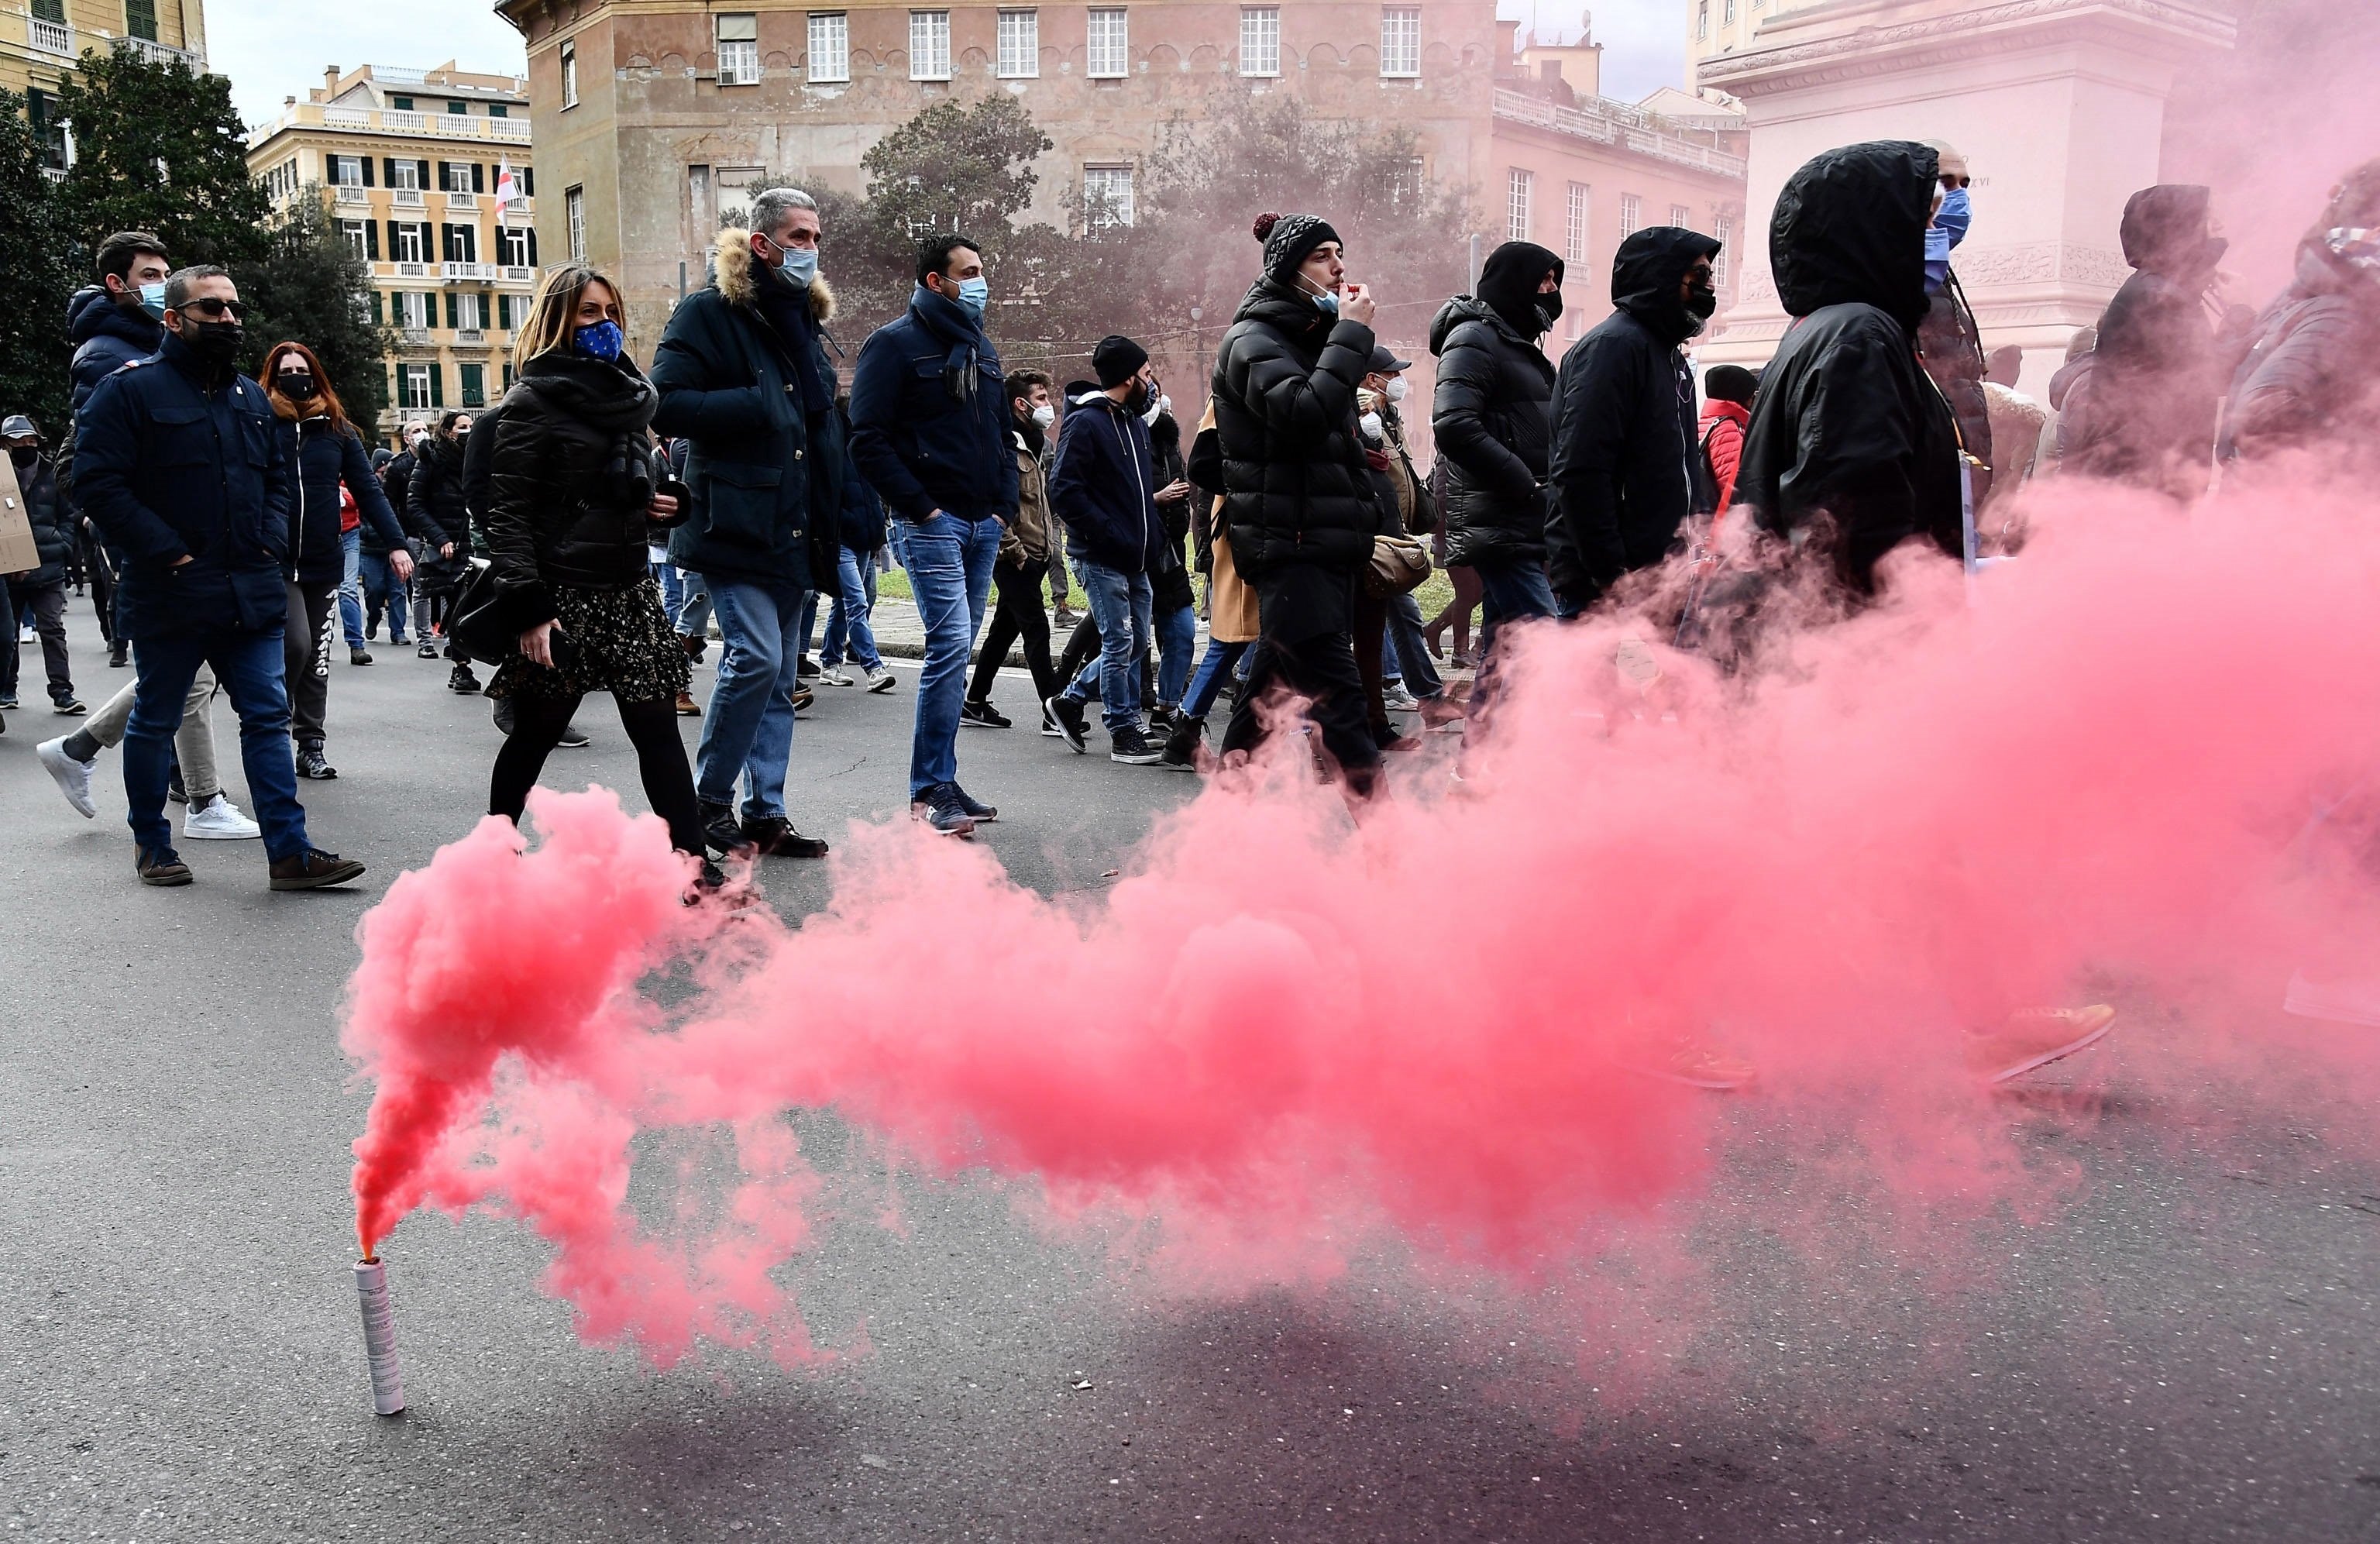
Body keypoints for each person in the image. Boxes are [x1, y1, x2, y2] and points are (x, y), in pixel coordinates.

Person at [74, 263, 366, 890]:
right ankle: (152, 844)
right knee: (154, 720)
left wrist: (268, 539)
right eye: (213, 310)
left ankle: (290, 852)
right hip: (170, 592)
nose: (229, 321)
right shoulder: (129, 391)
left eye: (234, 308)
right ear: (174, 319)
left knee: (266, 718)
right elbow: (96, 483)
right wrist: (169, 551)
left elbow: (275, 481)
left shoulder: (250, 397)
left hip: (249, 587)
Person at [481, 264, 721, 891]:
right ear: (560, 319)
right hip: (562, 595)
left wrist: (669, 500)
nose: (605, 325)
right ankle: (495, 853)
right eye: (590, 313)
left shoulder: (629, 397)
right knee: (537, 732)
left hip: (630, 589)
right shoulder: (533, 401)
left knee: (657, 733)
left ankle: (692, 866)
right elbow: (507, 515)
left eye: (611, 312)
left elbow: (633, 482)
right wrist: (530, 608)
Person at [652, 191, 848, 861]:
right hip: (733, 518)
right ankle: (710, 802)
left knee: (780, 672)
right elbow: (667, 402)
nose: (810, 248)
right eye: (797, 235)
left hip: (796, 521)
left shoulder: (804, 320)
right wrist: (755, 402)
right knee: (757, 657)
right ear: (761, 244)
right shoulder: (710, 310)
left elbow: (821, 422)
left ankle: (767, 812)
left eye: (816, 235)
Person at [1735, 142, 1965, 597]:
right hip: (1859, 639)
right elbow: (1849, 526)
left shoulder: (1833, 328)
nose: (1938, 232)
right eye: (1926, 219)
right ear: (1877, 230)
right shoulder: (1859, 337)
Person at [848, 233, 1018, 837]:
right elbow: (865, 436)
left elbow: (1002, 436)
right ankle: (930, 791)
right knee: (949, 645)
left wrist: (1002, 508)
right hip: (932, 524)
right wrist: (920, 509)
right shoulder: (892, 345)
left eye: (981, 269)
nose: (980, 282)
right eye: (968, 272)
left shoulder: (983, 349)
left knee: (957, 649)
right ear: (934, 282)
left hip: (981, 525)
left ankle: (943, 778)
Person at [1210, 212, 1383, 793]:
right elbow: (1303, 415)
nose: (1339, 269)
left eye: (1340, 254)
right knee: (1341, 705)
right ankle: (1392, 854)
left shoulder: (1308, 339)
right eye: (1322, 256)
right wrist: (1352, 337)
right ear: (1288, 269)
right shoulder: (1252, 340)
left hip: (1322, 545)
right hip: (1295, 546)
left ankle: (1217, 838)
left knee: (1267, 702)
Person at [1546, 227, 1721, 616]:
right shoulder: (1615, 348)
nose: (1710, 286)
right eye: (1698, 276)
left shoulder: (1669, 357)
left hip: (1659, 578)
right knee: (1605, 677)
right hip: (1612, 587)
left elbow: (1681, 465)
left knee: (1652, 677)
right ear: (1661, 278)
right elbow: (1581, 469)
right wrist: (1613, 574)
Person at [260, 342, 412, 780]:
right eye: (285, 370)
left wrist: (397, 543)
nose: (295, 377)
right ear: (272, 378)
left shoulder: (338, 430)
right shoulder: (261, 424)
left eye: (301, 369)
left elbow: (368, 490)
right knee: (296, 645)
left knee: (317, 657)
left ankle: (310, 745)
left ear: (316, 375)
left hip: (324, 560)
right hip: (273, 560)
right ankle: (270, 725)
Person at [2064, 184, 2245, 496]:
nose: (2220, 227)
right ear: (2179, 228)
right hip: (2146, 477)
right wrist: (2241, 311)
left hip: (2144, 471)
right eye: (2208, 217)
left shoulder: (2159, 290)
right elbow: (2209, 376)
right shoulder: (2157, 297)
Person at [1432, 241, 1563, 667]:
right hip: (1500, 522)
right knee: (1547, 643)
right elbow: (1454, 425)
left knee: (1501, 652)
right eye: (1544, 278)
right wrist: (1526, 484)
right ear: (1514, 281)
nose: (1552, 288)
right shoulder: (1474, 338)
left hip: (1520, 521)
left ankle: (1487, 734)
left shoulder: (1515, 344)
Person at [1043, 335, 1172, 765]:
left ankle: (1069, 700)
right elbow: (1063, 490)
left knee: (1134, 643)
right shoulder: (1087, 422)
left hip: (1135, 555)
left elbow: (1135, 492)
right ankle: (1122, 731)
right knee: (1119, 641)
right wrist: (1109, 531)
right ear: (1130, 376)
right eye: (1148, 374)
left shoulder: (1131, 420)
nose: (1152, 382)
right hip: (1100, 555)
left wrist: (1147, 536)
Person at [2220, 158, 2380, 463]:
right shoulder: (2344, 313)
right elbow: (2262, 411)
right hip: (2304, 502)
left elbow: (2223, 366)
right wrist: (2363, 446)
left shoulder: (2309, 288)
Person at [64, 231, 173, 672]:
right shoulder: (103, 356)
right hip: (155, 537)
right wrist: (160, 542)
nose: (163, 283)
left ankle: (86, 741)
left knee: (182, 681)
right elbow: (105, 465)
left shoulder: (154, 340)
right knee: (174, 679)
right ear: (116, 283)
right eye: (149, 275)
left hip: (172, 531)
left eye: (167, 274)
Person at [1163, 401, 1261, 769]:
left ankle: (1186, 732)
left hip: (1250, 520)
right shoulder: (1235, 390)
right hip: (1246, 523)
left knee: (1236, 636)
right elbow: (1204, 465)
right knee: (1240, 634)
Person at [964, 370, 1064, 728]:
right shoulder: (1004, 443)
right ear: (1020, 404)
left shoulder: (1039, 444)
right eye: (1040, 399)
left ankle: (974, 701)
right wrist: (1015, 550)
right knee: (1037, 629)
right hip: (1013, 556)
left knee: (1004, 629)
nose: (1048, 405)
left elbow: (1041, 504)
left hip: (1036, 554)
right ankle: (1056, 711)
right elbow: (994, 503)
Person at [1914, 143, 1993, 511]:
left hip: (1959, 470)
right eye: (1946, 184)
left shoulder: (1938, 274)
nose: (1959, 199)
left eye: (1964, 185)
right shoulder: (1906, 280)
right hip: (1936, 478)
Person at [2, 415, 84, 715]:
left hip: (48, 567)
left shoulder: (51, 474)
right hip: (8, 571)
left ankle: (62, 691)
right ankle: (7, 687)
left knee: (52, 629)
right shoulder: (1, 476)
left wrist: (62, 544)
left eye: (31, 440)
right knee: (6, 634)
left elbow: (68, 514)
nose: (27, 445)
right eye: (19, 441)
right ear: (5, 445)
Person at [818, 399, 895, 693]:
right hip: (842, 542)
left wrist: (877, 530)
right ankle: (873, 667)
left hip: (865, 540)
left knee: (849, 601)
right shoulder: (833, 454)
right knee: (857, 601)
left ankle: (829, 661)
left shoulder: (866, 453)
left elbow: (875, 497)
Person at [408, 411, 476, 683]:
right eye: (462, 426)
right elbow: (415, 504)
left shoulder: (478, 458)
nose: (468, 430)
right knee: (457, 602)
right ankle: (461, 666)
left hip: (474, 541)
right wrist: (440, 538)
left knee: (468, 603)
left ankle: (460, 656)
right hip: (446, 544)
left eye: (471, 425)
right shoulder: (431, 460)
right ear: (448, 431)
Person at [1698, 365, 1758, 514]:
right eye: (1752, 395)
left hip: (1703, 519)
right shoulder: (1727, 428)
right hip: (1722, 523)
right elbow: (1734, 488)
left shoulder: (1705, 422)